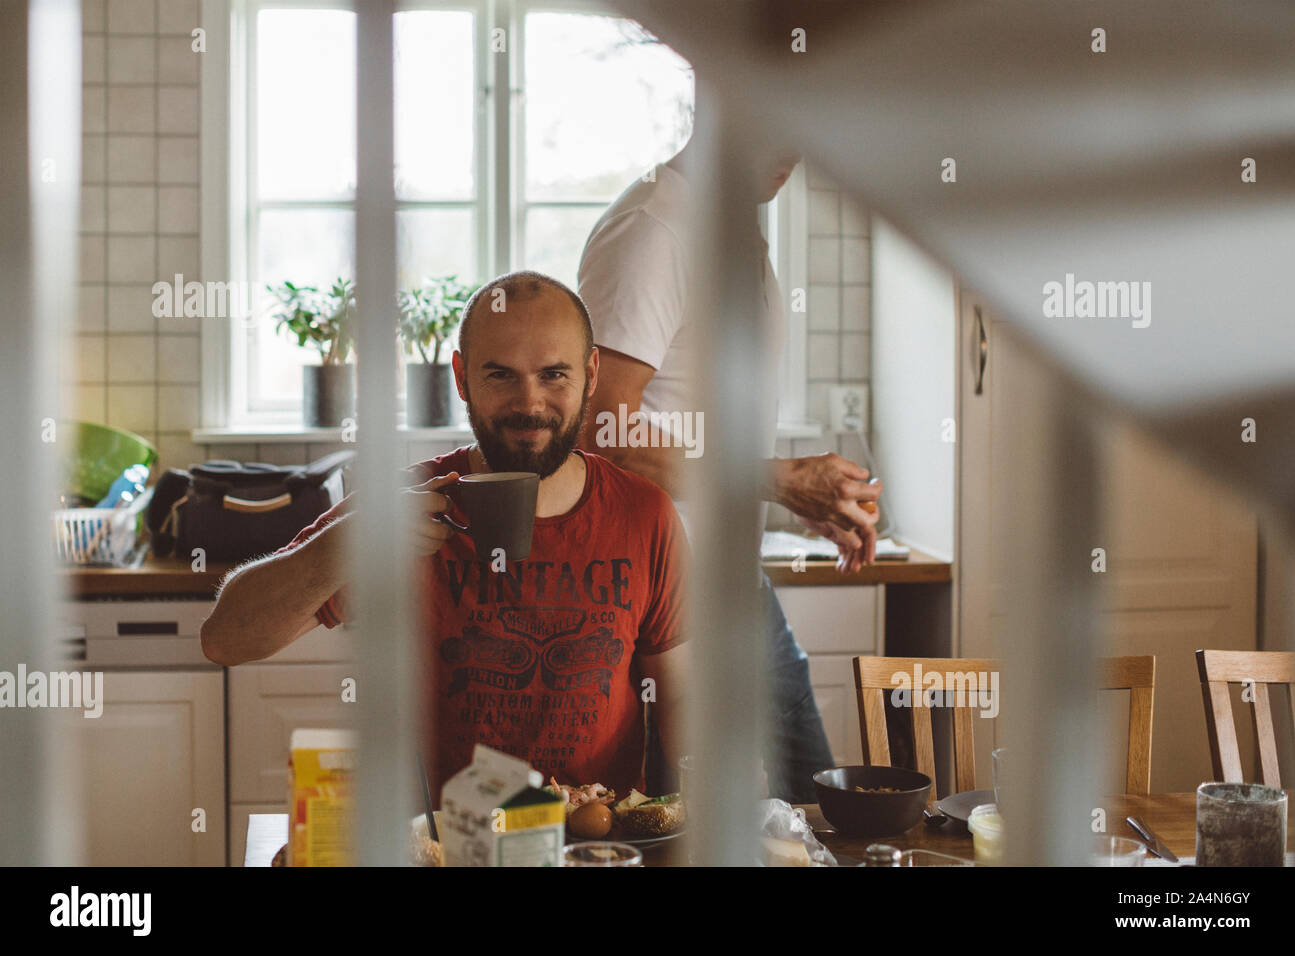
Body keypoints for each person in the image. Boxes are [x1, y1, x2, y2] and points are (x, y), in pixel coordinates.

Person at [200, 271, 690, 799]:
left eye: (554, 375)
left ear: (591, 373)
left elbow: (680, 697)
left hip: (596, 844)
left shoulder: (645, 514)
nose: (529, 404)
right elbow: (226, 640)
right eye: (500, 375)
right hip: (438, 846)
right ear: (461, 377)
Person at [577, 135, 881, 804]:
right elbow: (607, 432)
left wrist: (795, 494)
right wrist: (779, 478)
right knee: (690, 821)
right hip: (658, 596)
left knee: (805, 816)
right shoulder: (655, 230)